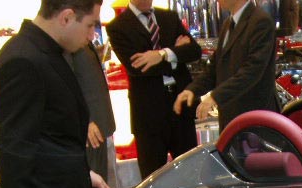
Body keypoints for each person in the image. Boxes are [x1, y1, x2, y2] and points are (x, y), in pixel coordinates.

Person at [0, 0, 112, 188]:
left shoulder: (45, 52)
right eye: (90, 25)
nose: (92, 35)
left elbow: (52, 142)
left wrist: (84, 175)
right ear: (66, 18)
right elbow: (14, 156)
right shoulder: (22, 61)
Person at [106, 1, 201, 178]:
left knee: (191, 173)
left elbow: (194, 51)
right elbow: (137, 68)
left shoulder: (169, 17)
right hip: (148, 114)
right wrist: (176, 53)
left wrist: (162, 54)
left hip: (181, 107)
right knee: (152, 178)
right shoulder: (118, 26)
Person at [173, 0, 278, 132]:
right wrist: (193, 90)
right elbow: (216, 68)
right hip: (232, 119)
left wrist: (216, 96)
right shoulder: (228, 24)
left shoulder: (261, 21)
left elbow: (252, 71)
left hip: (255, 118)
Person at [72, 34, 117, 185]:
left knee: (101, 179)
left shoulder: (81, 41)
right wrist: (87, 120)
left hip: (99, 123)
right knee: (94, 182)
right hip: (91, 128)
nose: (92, 30)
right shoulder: (70, 42)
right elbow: (69, 85)